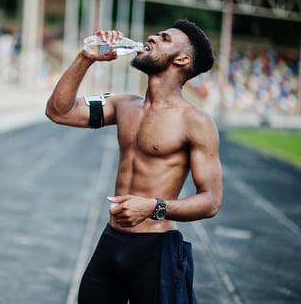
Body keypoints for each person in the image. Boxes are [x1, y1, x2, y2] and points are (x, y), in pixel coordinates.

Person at [45, 19, 223, 304]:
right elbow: (58, 111)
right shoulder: (125, 105)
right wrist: (86, 58)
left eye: (164, 38)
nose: (152, 36)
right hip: (112, 242)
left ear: (182, 59)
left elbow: (211, 201)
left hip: (155, 249)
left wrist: (154, 207)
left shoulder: (196, 122)